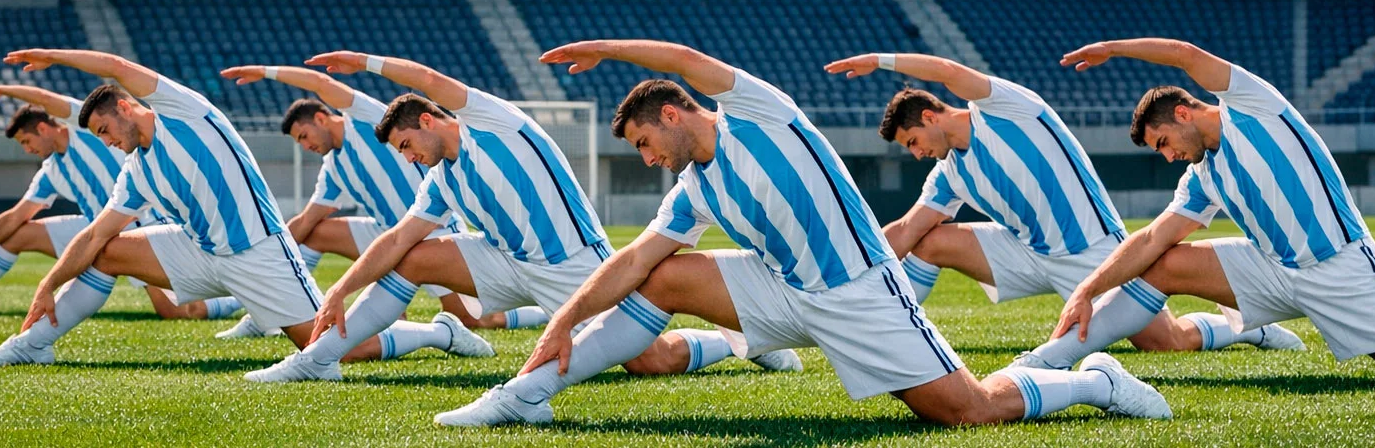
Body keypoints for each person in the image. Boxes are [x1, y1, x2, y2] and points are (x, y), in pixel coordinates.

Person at [434, 40, 1169, 427]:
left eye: (643, 144)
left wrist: (612, 51)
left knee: (965, 412)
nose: (647, 161)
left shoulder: (763, 115)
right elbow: (632, 258)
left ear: (670, 114)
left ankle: (1093, 383)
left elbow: (688, 62)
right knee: (656, 274)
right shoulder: (694, 188)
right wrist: (561, 322)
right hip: (782, 293)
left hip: (858, 293)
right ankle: (524, 392)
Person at [245, 50, 794, 383]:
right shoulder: (441, 178)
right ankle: (319, 358)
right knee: (410, 258)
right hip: (507, 263)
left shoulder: (495, 123)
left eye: (410, 144)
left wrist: (365, 64)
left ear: (433, 121)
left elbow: (429, 78)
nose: (409, 158)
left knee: (650, 363)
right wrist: (337, 291)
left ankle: (734, 342)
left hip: (572, 265)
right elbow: (392, 242)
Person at [822, 51, 1300, 355]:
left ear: (930, 116)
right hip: (1026, 254)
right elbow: (904, 230)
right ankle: (899, 332)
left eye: (912, 140)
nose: (916, 153)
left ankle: (1241, 330)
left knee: (1166, 343)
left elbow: (949, 72)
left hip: (1091, 249)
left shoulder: (1010, 112)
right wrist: (849, 279)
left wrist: (880, 62)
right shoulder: (949, 173)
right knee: (927, 241)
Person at [1013, 38, 1375, 383]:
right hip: (1274, 270)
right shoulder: (1202, 174)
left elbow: (1185, 55)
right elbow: (1152, 238)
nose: (1169, 156)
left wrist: (1114, 50)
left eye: (1163, 143)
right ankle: (1049, 359)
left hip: (1340, 267)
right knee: (1163, 262)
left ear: (1182, 113)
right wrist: (1086, 291)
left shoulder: (1251, 105)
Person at [0, 49, 326, 367]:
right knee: (106, 250)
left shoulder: (182, 112)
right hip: (201, 252)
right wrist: (48, 283)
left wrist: (54, 56)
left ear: (125, 107)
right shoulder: (136, 169)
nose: (108, 142)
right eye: (100, 137)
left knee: (331, 351)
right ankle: (32, 345)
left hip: (259, 251)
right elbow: (95, 233)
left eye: (106, 129)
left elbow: (115, 65)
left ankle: (382, 335)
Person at [215, 63, 546, 345]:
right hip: (385, 233)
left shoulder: (368, 120)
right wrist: (266, 258)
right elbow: (305, 220)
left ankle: (543, 310)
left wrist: (266, 72)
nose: (305, 146)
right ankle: (278, 313)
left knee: (474, 320)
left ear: (320, 118)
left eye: (304, 136)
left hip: (428, 230)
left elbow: (321, 82)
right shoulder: (334, 168)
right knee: (314, 231)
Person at [0, 84, 240, 323]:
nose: (27, 150)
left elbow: (47, 97)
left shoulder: (85, 127)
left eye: (26, 140)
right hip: (93, 227)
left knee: (177, 312)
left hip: (139, 227)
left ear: (45, 127)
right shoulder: (50, 171)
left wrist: (5, 90)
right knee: (20, 233)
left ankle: (236, 300)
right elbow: (15, 216)